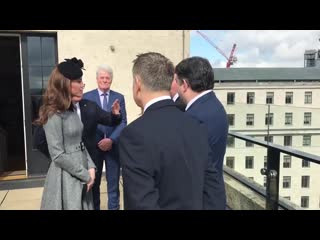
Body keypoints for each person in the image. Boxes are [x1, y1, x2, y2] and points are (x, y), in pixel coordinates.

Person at [118, 52, 210, 210]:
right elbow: (212, 188)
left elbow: (141, 204)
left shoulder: (133, 135)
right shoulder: (196, 125)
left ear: (138, 83)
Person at [175, 56, 228, 210]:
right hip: (215, 196)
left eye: (177, 82)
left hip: (200, 201)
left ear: (185, 84)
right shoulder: (215, 105)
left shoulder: (192, 118)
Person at [84, 64, 127, 210]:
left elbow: (123, 122)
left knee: (113, 185)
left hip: (113, 148)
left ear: (111, 80)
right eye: (102, 77)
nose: (104, 80)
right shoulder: (87, 97)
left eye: (107, 78)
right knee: (94, 184)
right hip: (94, 148)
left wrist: (111, 140)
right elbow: (86, 122)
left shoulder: (119, 98)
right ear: (97, 79)